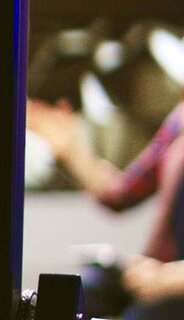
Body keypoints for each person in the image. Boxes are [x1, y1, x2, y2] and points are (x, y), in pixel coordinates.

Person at [29, 97, 184, 318]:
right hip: (154, 273)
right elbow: (122, 193)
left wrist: (168, 278)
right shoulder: (179, 119)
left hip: (173, 285)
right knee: (74, 297)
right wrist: (71, 148)